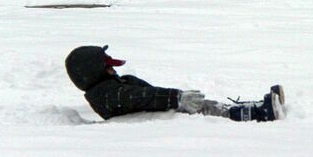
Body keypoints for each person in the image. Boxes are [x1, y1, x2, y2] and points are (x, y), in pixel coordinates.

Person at [65, 45, 284, 122]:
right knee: (206, 112)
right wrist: (174, 98)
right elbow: (140, 97)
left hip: (162, 112)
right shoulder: (108, 94)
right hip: (159, 119)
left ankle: (252, 107)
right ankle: (259, 114)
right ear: (92, 72)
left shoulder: (113, 86)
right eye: (108, 66)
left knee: (206, 106)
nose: (113, 69)